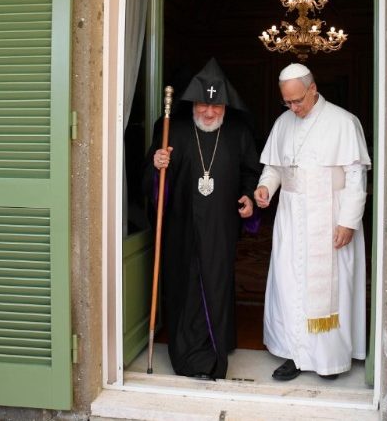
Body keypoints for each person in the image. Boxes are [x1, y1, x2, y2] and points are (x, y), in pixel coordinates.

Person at [145, 58, 261, 380]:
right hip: (180, 225)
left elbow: (252, 171)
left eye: (216, 107)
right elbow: (151, 183)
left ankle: (216, 345)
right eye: (202, 106)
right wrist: (157, 164)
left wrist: (249, 196)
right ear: (193, 102)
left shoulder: (238, 132)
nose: (209, 113)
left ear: (226, 105)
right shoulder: (172, 129)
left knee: (217, 281)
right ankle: (189, 355)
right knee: (185, 283)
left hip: (220, 226)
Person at [254, 63, 371, 381]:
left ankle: (330, 359)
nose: (293, 108)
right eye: (287, 102)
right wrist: (266, 188)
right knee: (290, 285)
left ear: (313, 89)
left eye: (298, 101)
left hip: (331, 216)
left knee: (331, 287)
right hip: (291, 218)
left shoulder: (344, 122)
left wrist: (348, 221)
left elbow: (356, 177)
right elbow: (274, 168)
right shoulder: (282, 123)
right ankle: (294, 355)